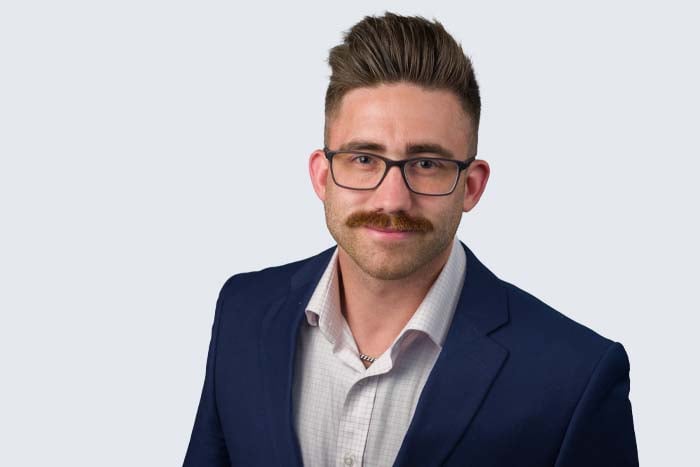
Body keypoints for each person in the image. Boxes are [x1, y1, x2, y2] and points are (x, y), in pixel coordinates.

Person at [183, 12, 638, 467]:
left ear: (472, 187)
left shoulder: (574, 378)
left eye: (426, 164)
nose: (392, 199)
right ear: (323, 176)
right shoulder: (242, 313)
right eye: (364, 158)